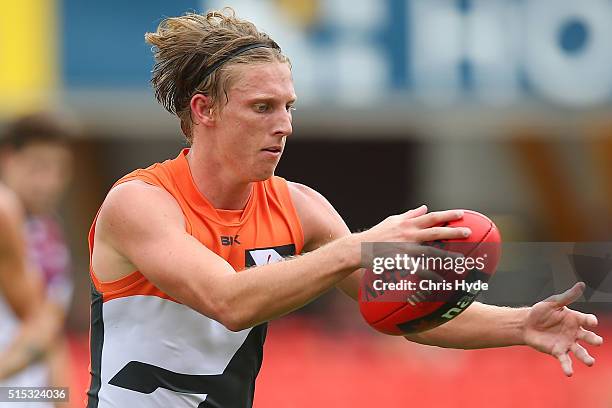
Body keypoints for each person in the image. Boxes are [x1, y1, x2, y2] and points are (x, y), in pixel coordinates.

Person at [86, 9, 603, 408]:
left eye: (289, 106)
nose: (284, 125)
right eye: (262, 107)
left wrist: (519, 326)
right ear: (204, 110)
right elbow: (227, 301)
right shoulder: (142, 203)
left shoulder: (301, 207)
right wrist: (357, 246)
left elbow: (406, 313)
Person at [0, 111, 75, 407]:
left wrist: (62, 399)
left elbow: (49, 334)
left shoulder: (49, 234)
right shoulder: (4, 210)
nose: (50, 182)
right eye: (39, 167)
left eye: (60, 170)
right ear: (8, 159)